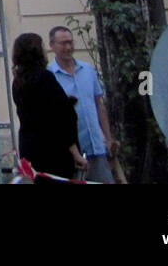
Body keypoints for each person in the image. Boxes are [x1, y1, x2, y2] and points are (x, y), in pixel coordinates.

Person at [48, 25, 118, 182]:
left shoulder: (87, 69)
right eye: (63, 43)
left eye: (70, 42)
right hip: (69, 151)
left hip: (95, 146)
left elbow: (99, 104)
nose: (68, 47)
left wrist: (108, 138)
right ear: (52, 46)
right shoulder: (50, 75)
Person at [12, 32, 85, 181]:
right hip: (53, 149)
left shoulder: (18, 82)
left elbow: (35, 110)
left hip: (30, 148)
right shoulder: (45, 77)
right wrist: (76, 153)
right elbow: (63, 116)